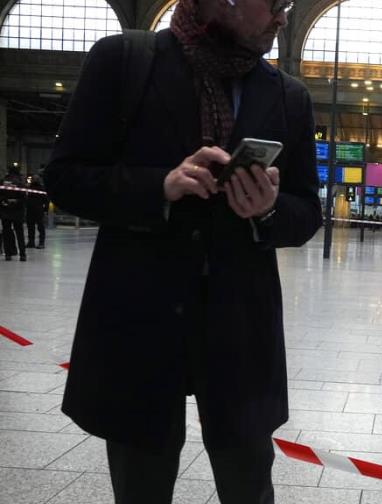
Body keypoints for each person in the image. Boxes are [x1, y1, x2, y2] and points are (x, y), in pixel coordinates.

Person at [44, 0, 322, 501]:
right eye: (273, 4)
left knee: (248, 482)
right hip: (140, 320)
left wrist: (268, 209)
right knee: (141, 483)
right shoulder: (125, 62)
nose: (282, 17)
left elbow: (306, 213)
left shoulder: (287, 95)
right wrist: (161, 187)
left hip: (240, 326)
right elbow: (64, 177)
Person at [1, 167, 27, 261]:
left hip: (5, 211)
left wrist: (5, 202)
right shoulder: (20, 182)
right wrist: (16, 202)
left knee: (6, 233)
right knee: (20, 233)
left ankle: (8, 254)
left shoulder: (3, 181)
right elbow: (24, 198)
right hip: (18, 212)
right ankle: (22, 255)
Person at [25, 174, 48, 249]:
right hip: (30, 210)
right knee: (30, 227)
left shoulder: (42, 188)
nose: (33, 180)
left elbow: (46, 200)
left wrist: (45, 210)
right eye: (33, 179)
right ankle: (31, 242)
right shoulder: (29, 188)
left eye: (35, 179)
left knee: (40, 226)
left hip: (39, 210)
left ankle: (41, 242)